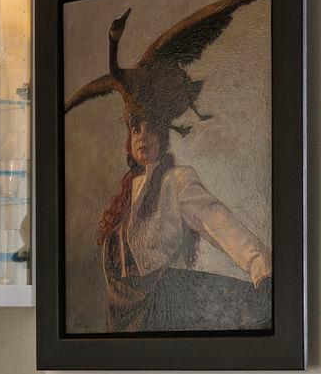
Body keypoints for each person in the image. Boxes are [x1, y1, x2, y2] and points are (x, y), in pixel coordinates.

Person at [97, 109, 270, 332]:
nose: (142, 137)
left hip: (164, 305)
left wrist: (261, 267)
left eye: (151, 130)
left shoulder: (176, 181)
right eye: (136, 130)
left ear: (162, 138)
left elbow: (218, 222)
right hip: (121, 313)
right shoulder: (126, 199)